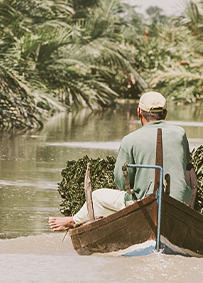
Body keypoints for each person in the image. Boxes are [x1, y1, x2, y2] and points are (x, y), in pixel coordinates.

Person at [48, 91, 192, 231]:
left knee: (96, 197)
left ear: (139, 112)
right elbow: (186, 166)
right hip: (179, 201)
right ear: (165, 114)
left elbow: (122, 182)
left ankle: (74, 221)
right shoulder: (180, 134)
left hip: (144, 201)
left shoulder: (130, 139)